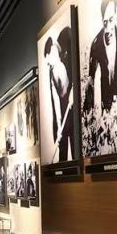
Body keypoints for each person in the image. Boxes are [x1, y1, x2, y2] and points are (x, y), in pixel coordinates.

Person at [44, 27, 76, 163]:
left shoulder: (67, 36)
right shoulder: (52, 72)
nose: (49, 66)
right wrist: (58, 128)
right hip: (64, 111)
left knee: (75, 150)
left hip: (73, 110)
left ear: (53, 51)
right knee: (62, 147)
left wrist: (74, 89)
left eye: (49, 62)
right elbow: (56, 102)